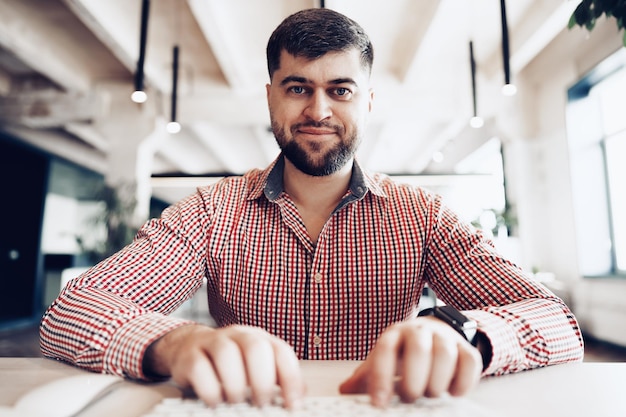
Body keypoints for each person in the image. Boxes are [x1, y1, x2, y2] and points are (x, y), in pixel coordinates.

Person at [40, 7, 583, 410]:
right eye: (297, 87)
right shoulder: (211, 210)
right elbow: (72, 310)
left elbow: (554, 320)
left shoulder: (423, 216)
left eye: (341, 90)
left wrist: (460, 332)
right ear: (271, 96)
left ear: (367, 102)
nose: (318, 110)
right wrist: (177, 342)